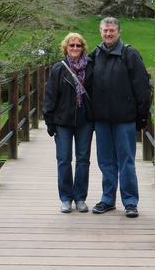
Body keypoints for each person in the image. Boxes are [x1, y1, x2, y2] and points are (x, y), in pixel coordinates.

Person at [89, 17, 150, 218]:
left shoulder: (130, 54)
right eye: (105, 31)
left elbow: (142, 87)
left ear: (118, 32)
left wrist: (142, 115)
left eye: (111, 31)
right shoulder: (95, 54)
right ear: (100, 32)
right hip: (102, 119)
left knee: (126, 161)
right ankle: (107, 199)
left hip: (124, 118)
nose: (108, 34)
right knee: (105, 161)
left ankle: (130, 201)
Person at [43, 32, 94, 213]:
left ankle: (80, 197)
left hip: (85, 120)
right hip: (63, 120)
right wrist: (50, 122)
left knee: (83, 160)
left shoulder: (90, 67)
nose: (75, 48)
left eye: (78, 45)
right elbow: (50, 96)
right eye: (71, 45)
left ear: (83, 48)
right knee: (64, 160)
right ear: (66, 48)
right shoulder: (59, 68)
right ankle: (66, 198)